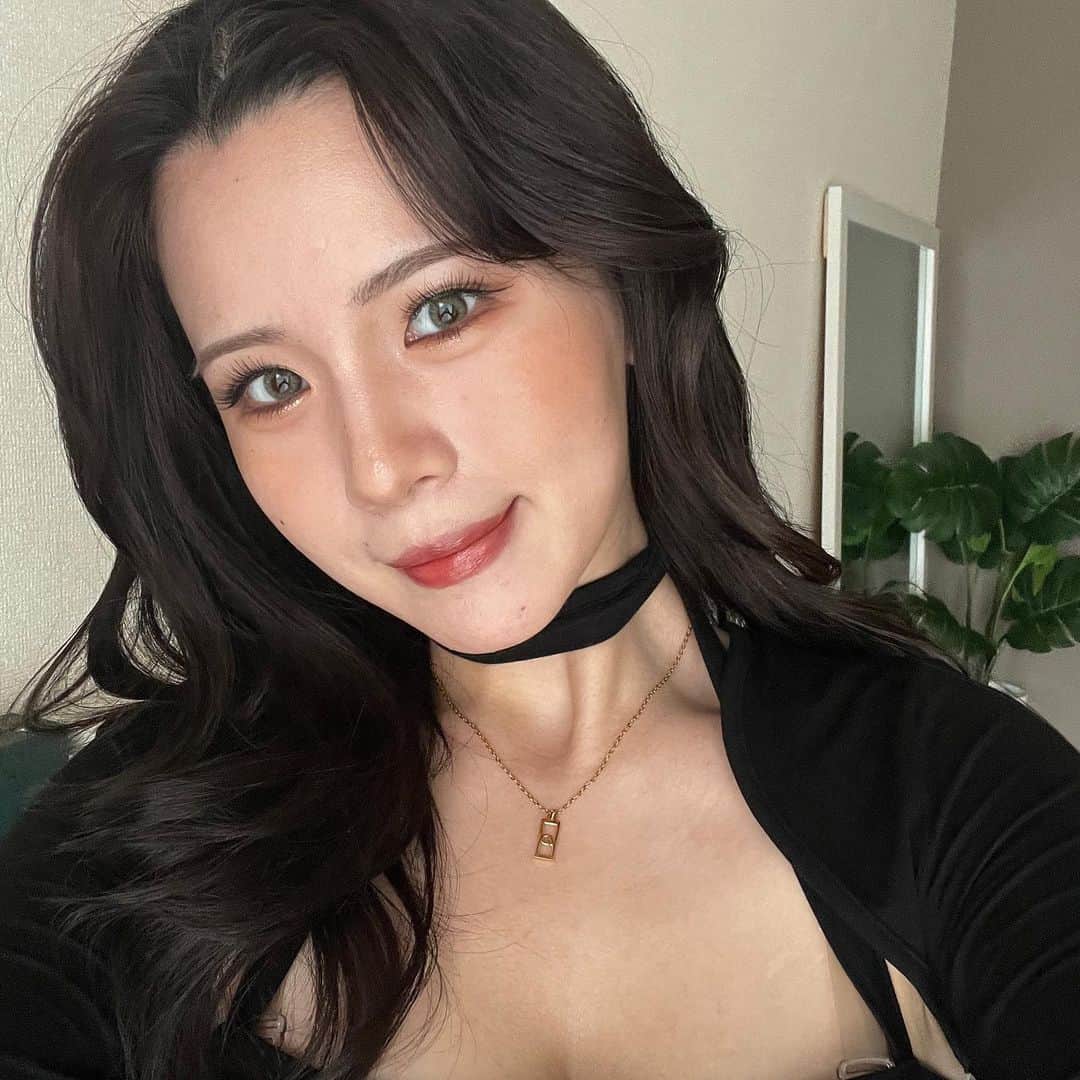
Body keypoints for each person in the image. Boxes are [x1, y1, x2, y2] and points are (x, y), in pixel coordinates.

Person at [2, 1, 1077, 1078]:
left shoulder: (950, 790)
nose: (381, 468)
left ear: (624, 280)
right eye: (270, 384)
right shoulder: (140, 831)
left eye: (440, 309)